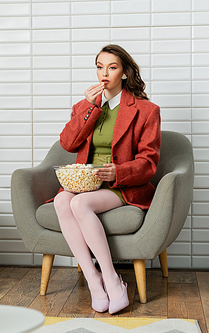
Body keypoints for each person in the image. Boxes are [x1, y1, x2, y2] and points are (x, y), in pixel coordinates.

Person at [53, 44, 161, 314]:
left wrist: (119, 172)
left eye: (112, 67)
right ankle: (94, 280)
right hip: (86, 183)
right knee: (60, 200)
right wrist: (90, 107)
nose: (104, 73)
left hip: (121, 185)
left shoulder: (147, 110)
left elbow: (149, 163)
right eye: (100, 66)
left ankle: (112, 278)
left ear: (124, 73)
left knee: (79, 205)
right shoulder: (86, 105)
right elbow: (68, 143)